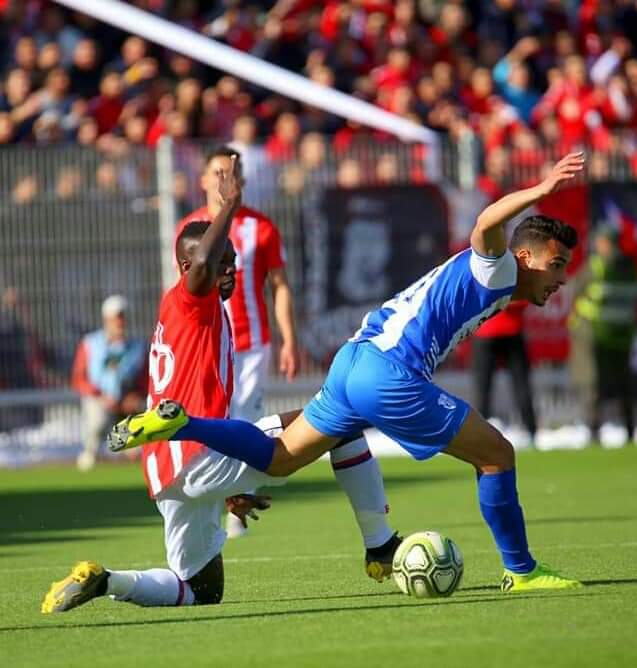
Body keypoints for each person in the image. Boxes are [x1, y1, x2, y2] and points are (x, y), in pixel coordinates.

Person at [111, 152, 587, 594]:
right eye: (555, 264)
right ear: (524, 257)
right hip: (390, 374)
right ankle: (521, 571)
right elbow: (486, 222)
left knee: (279, 459)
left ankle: (185, 426)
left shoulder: (497, 279)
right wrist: (542, 188)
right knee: (497, 455)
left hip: (352, 363)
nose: (560, 276)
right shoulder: (497, 268)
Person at [42, 156, 397, 614]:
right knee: (342, 421)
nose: (230, 271)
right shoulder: (193, 299)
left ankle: (105, 580)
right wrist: (228, 206)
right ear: (188, 266)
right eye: (222, 264)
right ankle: (381, 546)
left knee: (200, 591)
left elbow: (207, 264)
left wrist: (225, 485)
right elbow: (205, 259)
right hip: (195, 452)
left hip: (168, 471)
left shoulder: (190, 311)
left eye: (234, 263)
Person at [176, 146, 300, 538]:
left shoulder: (261, 228)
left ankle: (238, 507)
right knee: (210, 415)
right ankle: (211, 500)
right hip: (205, 344)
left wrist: (289, 339)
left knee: (245, 417)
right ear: (203, 180)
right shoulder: (190, 229)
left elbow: (279, 285)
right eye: (216, 172)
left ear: (242, 181)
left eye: (231, 173)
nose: (223, 180)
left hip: (251, 342)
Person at [568, 225, 637, 444]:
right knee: (623, 386)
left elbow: (574, 290)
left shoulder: (596, 267)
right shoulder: (630, 268)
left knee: (592, 385)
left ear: (606, 243)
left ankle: (594, 432)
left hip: (594, 335)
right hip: (622, 334)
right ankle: (629, 431)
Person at [71, 295, 147, 471]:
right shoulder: (90, 344)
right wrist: (101, 396)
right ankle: (92, 451)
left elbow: (146, 380)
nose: (120, 321)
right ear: (107, 319)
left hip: (127, 404)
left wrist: (135, 396)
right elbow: (78, 378)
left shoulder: (138, 347)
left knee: (142, 420)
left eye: (123, 317)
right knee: (98, 419)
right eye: (116, 317)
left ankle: (128, 450)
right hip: (100, 400)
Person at [470, 301, 538, 446]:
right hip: (506, 328)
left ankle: (478, 436)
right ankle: (531, 432)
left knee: (483, 388)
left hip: (491, 329)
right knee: (519, 385)